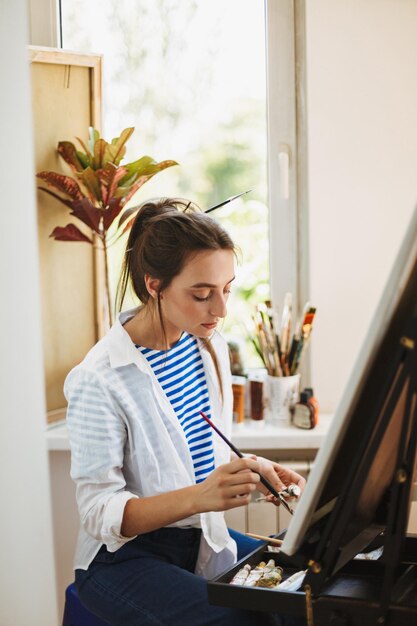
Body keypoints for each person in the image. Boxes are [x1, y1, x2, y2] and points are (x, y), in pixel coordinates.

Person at [65, 197, 306, 626]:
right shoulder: (98, 378)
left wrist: (251, 468)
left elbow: (189, 455)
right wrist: (201, 497)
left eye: (226, 289)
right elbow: (99, 513)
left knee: (304, 593)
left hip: (198, 538)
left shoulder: (203, 346)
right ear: (154, 284)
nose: (220, 310)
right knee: (247, 621)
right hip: (122, 559)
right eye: (202, 294)